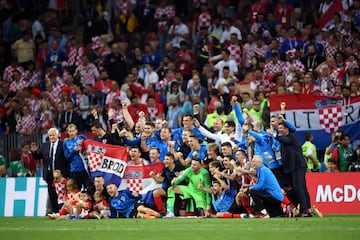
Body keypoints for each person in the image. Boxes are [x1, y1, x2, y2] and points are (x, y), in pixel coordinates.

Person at [274, 122, 312, 217]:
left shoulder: (292, 137)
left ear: (287, 129)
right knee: (302, 188)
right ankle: (307, 209)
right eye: (279, 128)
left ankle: (304, 211)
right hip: (293, 167)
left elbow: (285, 140)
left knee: (299, 187)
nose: (279, 130)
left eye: (281, 128)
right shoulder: (286, 138)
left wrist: (273, 134)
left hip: (298, 166)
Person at [31, 127, 70, 214]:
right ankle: (54, 211)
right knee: (52, 194)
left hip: (61, 175)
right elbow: (38, 156)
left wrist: (67, 174)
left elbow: (67, 159)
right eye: (50, 135)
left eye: (53, 135)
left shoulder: (63, 144)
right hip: (49, 174)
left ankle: (63, 211)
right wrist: (34, 152)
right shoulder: (45, 145)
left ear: (58, 135)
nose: (52, 137)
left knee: (62, 194)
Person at [63, 124, 89, 190]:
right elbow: (67, 158)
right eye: (70, 131)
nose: (71, 133)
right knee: (77, 190)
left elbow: (91, 145)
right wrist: (74, 151)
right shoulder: (66, 143)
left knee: (87, 190)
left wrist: (84, 144)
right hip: (75, 170)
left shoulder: (81, 137)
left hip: (85, 169)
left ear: (76, 131)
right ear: (67, 132)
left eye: (73, 131)